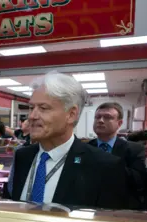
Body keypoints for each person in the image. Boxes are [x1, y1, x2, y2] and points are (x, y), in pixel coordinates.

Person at [8, 71, 128, 209]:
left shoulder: (104, 166)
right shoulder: (22, 156)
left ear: (71, 115)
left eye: (43, 108)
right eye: (31, 107)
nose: (32, 116)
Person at [87, 102, 146, 209]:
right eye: (97, 117)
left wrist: (107, 161)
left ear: (119, 123)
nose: (100, 120)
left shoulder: (134, 149)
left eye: (107, 117)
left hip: (120, 209)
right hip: (89, 207)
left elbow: (139, 181)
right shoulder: (85, 148)